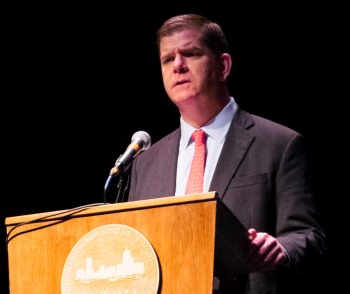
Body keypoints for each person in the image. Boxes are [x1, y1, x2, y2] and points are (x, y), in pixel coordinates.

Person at [127, 14, 327, 293]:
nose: (178, 66)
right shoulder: (145, 163)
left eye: (191, 54)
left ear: (223, 66)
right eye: (167, 59)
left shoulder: (279, 144)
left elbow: (309, 236)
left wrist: (281, 248)